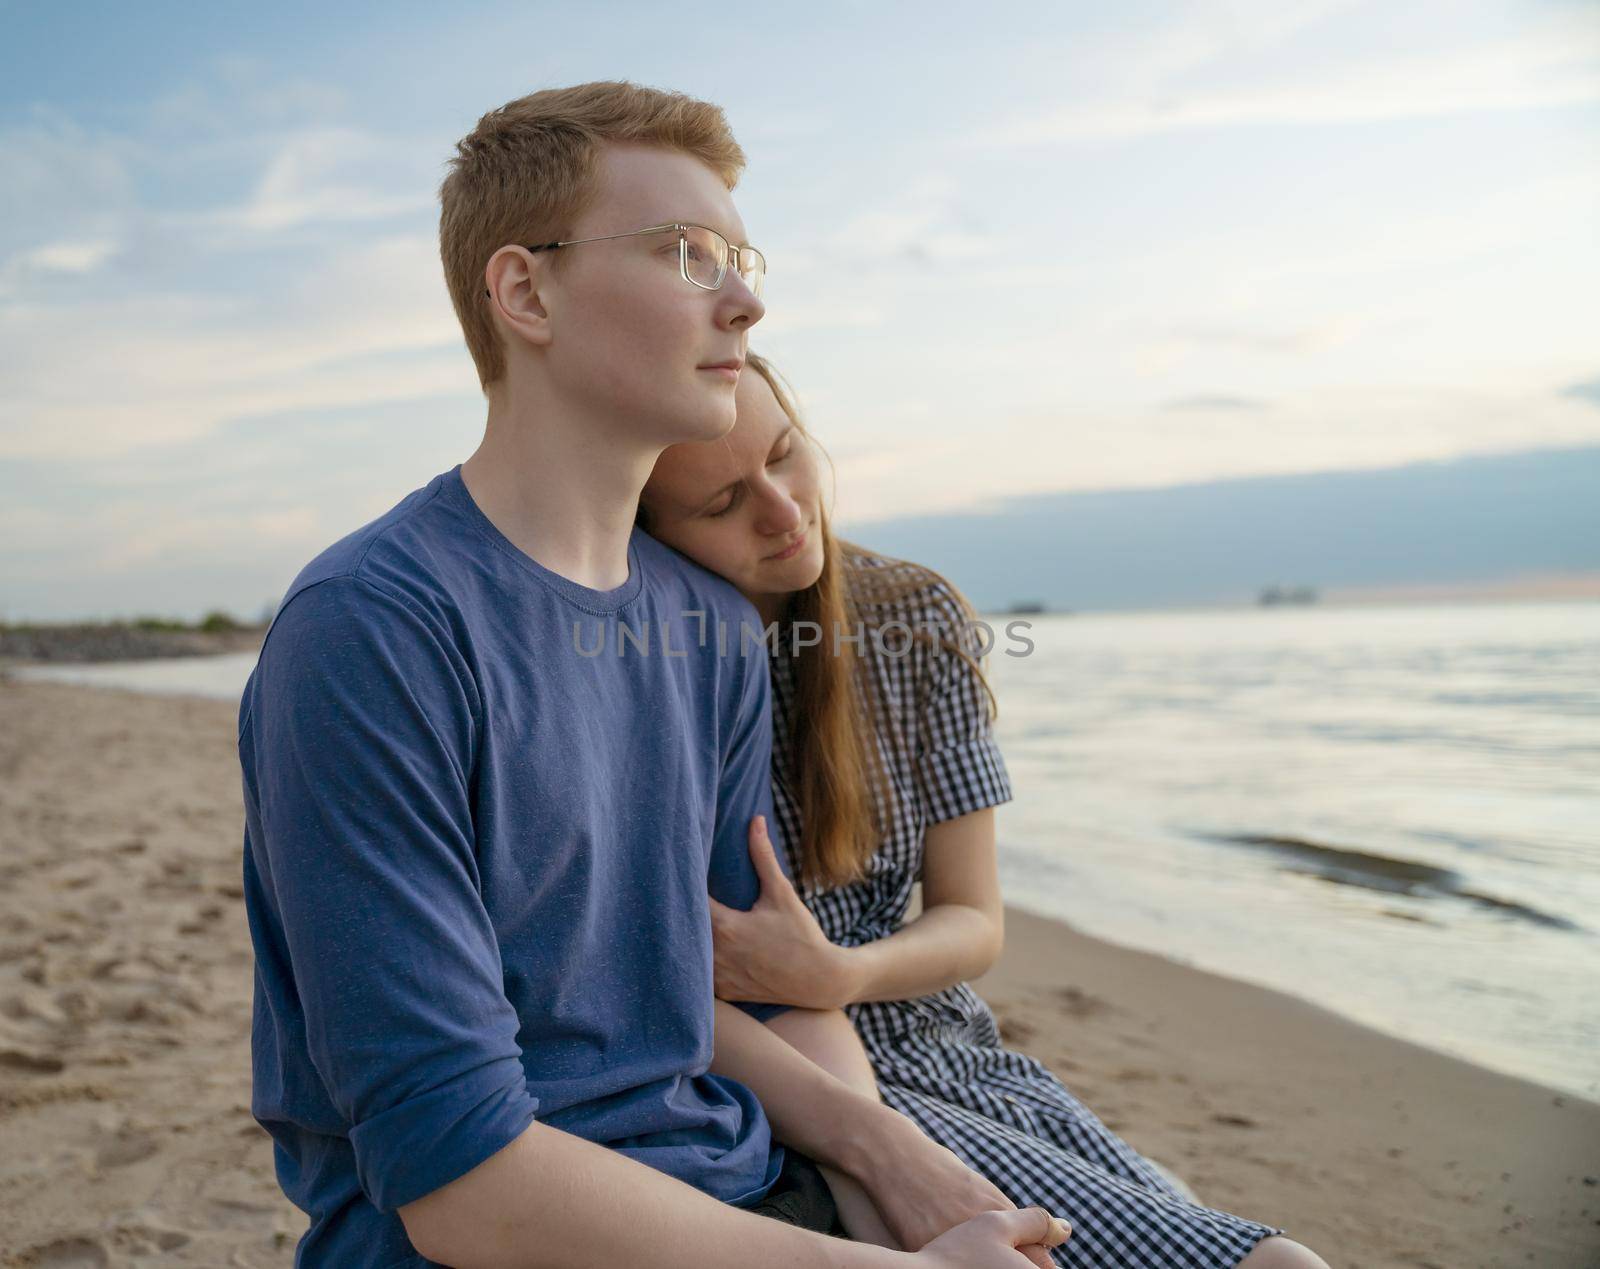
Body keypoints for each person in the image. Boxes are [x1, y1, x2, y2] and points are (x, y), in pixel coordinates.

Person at [237, 81, 1072, 1269]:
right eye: (686, 255)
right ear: (526, 292)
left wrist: (890, 1172)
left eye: (737, 255)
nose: (745, 297)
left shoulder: (715, 631)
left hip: (754, 1194)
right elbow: (460, 1180)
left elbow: (776, 994)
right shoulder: (371, 631)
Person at [636, 353, 1334, 1269]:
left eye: (785, 453)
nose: (782, 508)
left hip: (941, 1036)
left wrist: (835, 971)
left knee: (1226, 1240)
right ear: (650, 531)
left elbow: (974, 918)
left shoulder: (915, 618)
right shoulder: (645, 659)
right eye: (722, 503)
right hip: (783, 1076)